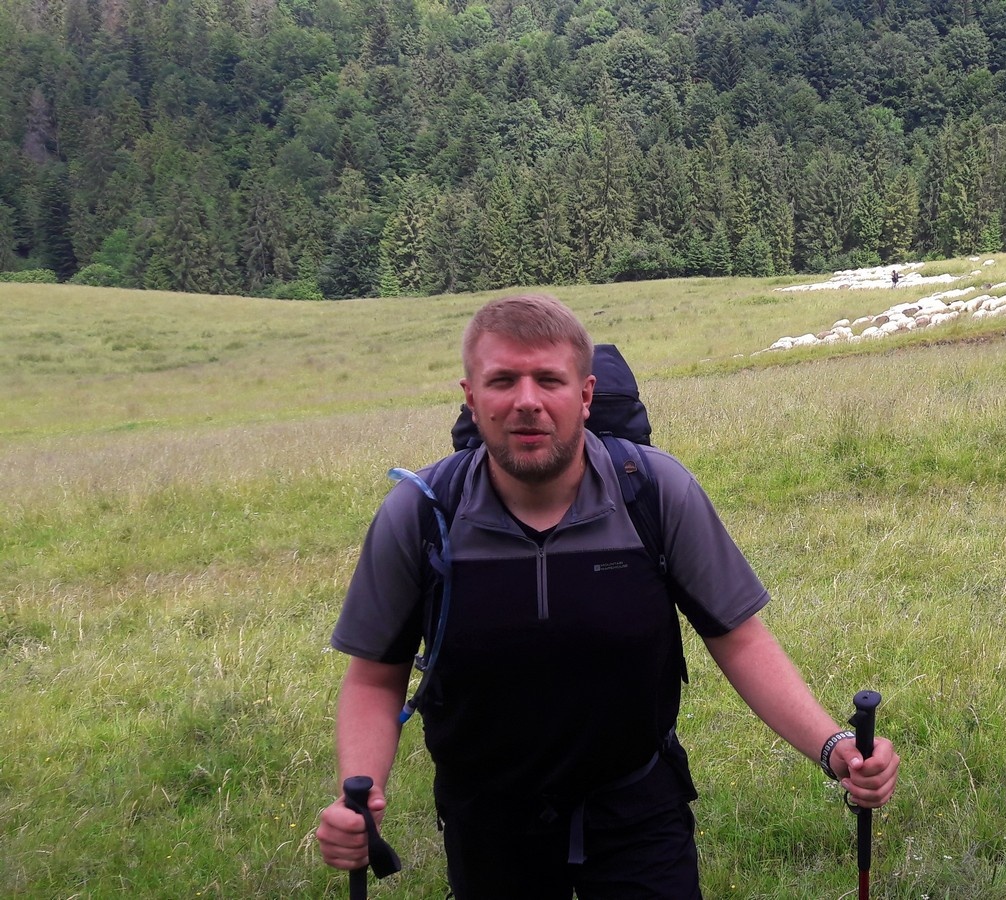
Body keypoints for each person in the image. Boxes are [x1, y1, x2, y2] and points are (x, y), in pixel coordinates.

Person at [315, 294, 900, 898]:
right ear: (471, 396)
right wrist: (359, 794)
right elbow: (375, 676)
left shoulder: (654, 492)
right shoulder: (420, 515)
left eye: (549, 379)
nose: (527, 401)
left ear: (585, 394)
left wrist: (833, 747)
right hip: (488, 823)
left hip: (638, 810)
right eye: (502, 380)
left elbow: (739, 638)